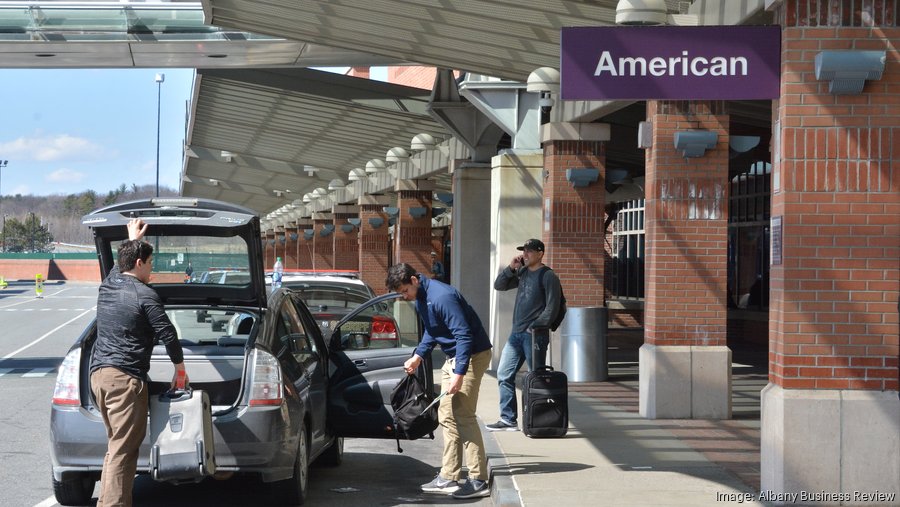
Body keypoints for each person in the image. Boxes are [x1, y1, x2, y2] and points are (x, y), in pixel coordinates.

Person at [90, 218, 188, 507]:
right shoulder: (145, 295)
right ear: (140, 263)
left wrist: (131, 239)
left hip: (99, 377)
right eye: (150, 262)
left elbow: (118, 267)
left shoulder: (108, 285)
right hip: (124, 381)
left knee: (116, 448)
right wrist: (180, 369)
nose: (152, 268)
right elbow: (168, 334)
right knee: (123, 451)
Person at [388, 263, 493, 499]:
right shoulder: (423, 298)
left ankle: (478, 480)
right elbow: (432, 330)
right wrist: (418, 356)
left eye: (405, 290)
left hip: (471, 356)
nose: (404, 296)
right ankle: (449, 476)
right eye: (401, 293)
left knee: (463, 415)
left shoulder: (441, 296)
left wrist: (460, 373)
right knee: (446, 415)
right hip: (454, 356)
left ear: (414, 279)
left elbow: (463, 334)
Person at [487, 238, 562, 432]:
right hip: (516, 334)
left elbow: (553, 307)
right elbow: (499, 285)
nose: (525, 254)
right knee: (504, 374)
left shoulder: (548, 276)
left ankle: (539, 419)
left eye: (529, 251)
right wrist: (511, 269)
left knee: (536, 377)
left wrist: (536, 326)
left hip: (534, 335)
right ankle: (508, 419)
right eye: (524, 251)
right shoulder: (522, 272)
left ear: (540, 253)